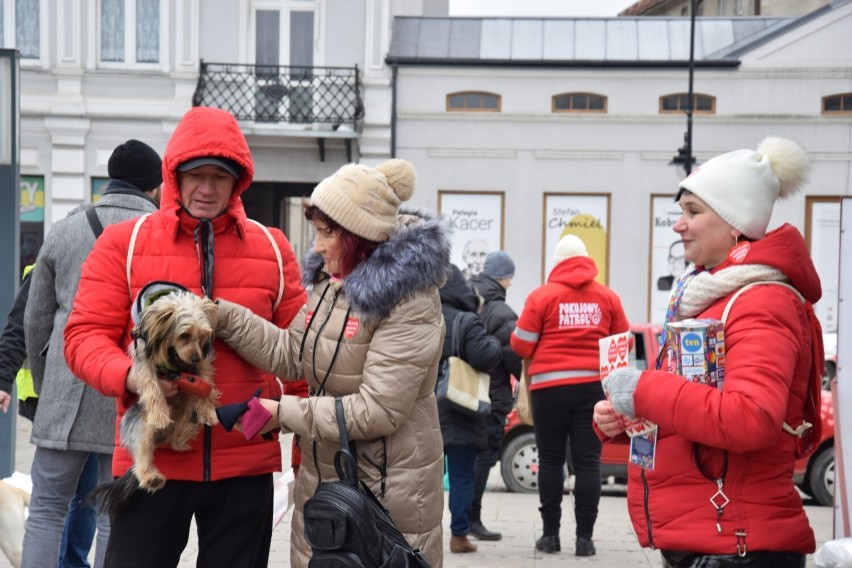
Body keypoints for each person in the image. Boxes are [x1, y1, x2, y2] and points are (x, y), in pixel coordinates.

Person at [63, 107, 306, 568]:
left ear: (239, 183)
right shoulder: (125, 243)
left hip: (245, 463)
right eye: (196, 174)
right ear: (173, 176)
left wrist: (304, 457)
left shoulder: (273, 248)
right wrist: (131, 377)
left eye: (220, 176)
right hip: (153, 461)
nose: (207, 188)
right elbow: (83, 336)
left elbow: (299, 357)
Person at [595, 137, 822, 568]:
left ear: (736, 224)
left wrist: (645, 390)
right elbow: (699, 404)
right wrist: (626, 420)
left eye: (693, 212)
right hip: (712, 539)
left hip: (737, 546)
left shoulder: (762, 301)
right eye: (682, 211)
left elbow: (748, 418)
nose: (679, 225)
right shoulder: (711, 296)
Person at [212, 158, 450, 567]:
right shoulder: (330, 285)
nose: (317, 245)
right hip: (324, 485)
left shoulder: (410, 300)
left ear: (360, 236)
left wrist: (282, 413)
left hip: (386, 494)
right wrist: (221, 316)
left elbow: (378, 410)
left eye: (326, 233)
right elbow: (291, 354)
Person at [21, 139, 165, 568]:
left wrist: (46, 388)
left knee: (46, 509)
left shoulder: (65, 229)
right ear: (155, 186)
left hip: (67, 385)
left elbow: (35, 319)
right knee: (113, 514)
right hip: (129, 391)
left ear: (110, 178)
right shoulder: (159, 233)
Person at [511, 234, 630, 557]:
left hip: (548, 389)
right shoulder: (607, 298)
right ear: (585, 260)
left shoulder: (541, 297)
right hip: (592, 389)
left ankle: (550, 537)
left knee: (550, 460)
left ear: (557, 263)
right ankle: (585, 540)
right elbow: (624, 342)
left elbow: (520, 345)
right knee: (589, 462)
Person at [437, 263, 501, 554]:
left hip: (426, 409)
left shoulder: (420, 317)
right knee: (462, 476)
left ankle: (419, 531)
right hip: (460, 407)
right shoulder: (467, 320)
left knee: (423, 477)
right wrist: (493, 341)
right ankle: (459, 535)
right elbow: (487, 356)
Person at [467, 251, 522, 541]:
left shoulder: (467, 300)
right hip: (491, 396)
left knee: (464, 459)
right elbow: (514, 357)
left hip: (461, 393)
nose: (510, 283)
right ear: (503, 277)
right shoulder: (502, 312)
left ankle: (462, 522)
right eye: (509, 277)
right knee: (483, 457)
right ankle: (471, 520)